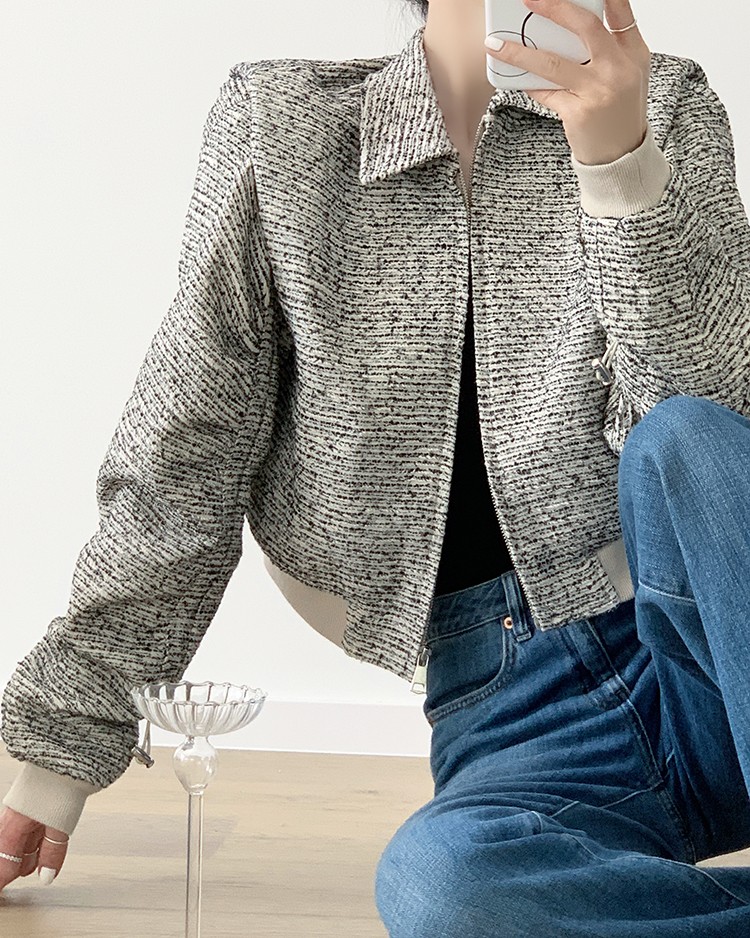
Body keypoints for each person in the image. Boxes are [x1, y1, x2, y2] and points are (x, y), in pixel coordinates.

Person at [2, 0, 749, 931]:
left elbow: (724, 425)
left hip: (708, 639)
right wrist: (58, 749)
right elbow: (187, 450)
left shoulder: (664, 103)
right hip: (515, 710)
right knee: (442, 887)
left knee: (686, 439)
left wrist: (618, 162)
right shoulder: (284, 128)